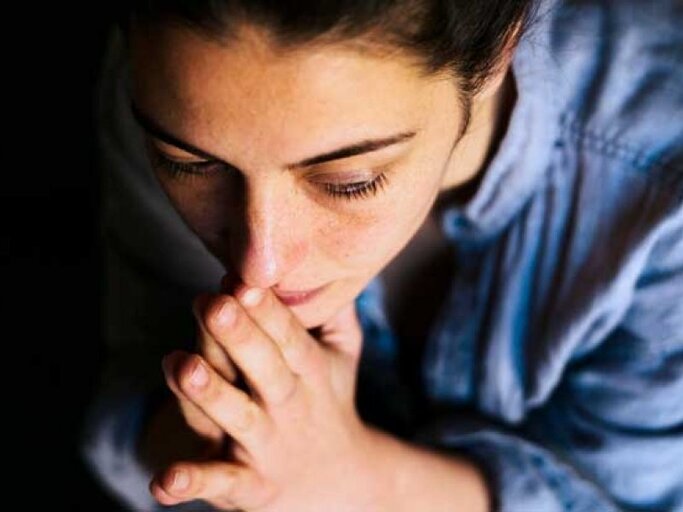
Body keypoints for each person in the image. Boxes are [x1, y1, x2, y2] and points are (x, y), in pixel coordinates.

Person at [80, 0, 683, 510]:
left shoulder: (661, 189)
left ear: (500, 51)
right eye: (190, 166)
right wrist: (223, 449)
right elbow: (130, 387)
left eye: (350, 180)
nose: (259, 265)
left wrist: (359, 480)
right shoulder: (167, 87)